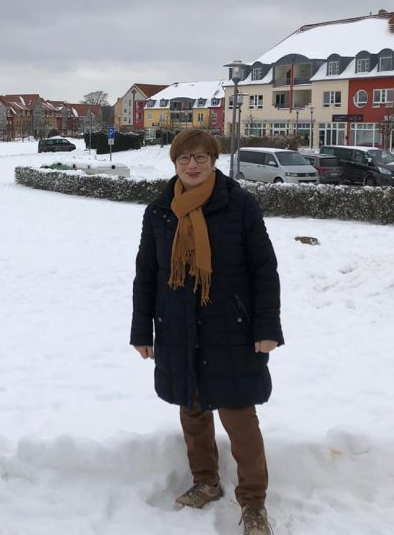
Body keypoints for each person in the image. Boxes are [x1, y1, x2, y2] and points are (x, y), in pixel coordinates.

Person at [130, 130, 283, 535]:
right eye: (184, 158)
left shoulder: (240, 205)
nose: (192, 165)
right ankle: (206, 481)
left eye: (200, 157)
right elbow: (147, 274)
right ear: (174, 163)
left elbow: (264, 270)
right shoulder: (160, 210)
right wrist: (141, 330)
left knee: (239, 416)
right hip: (177, 325)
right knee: (192, 410)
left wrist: (266, 328)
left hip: (231, 327)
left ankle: (253, 503)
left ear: (214, 159)